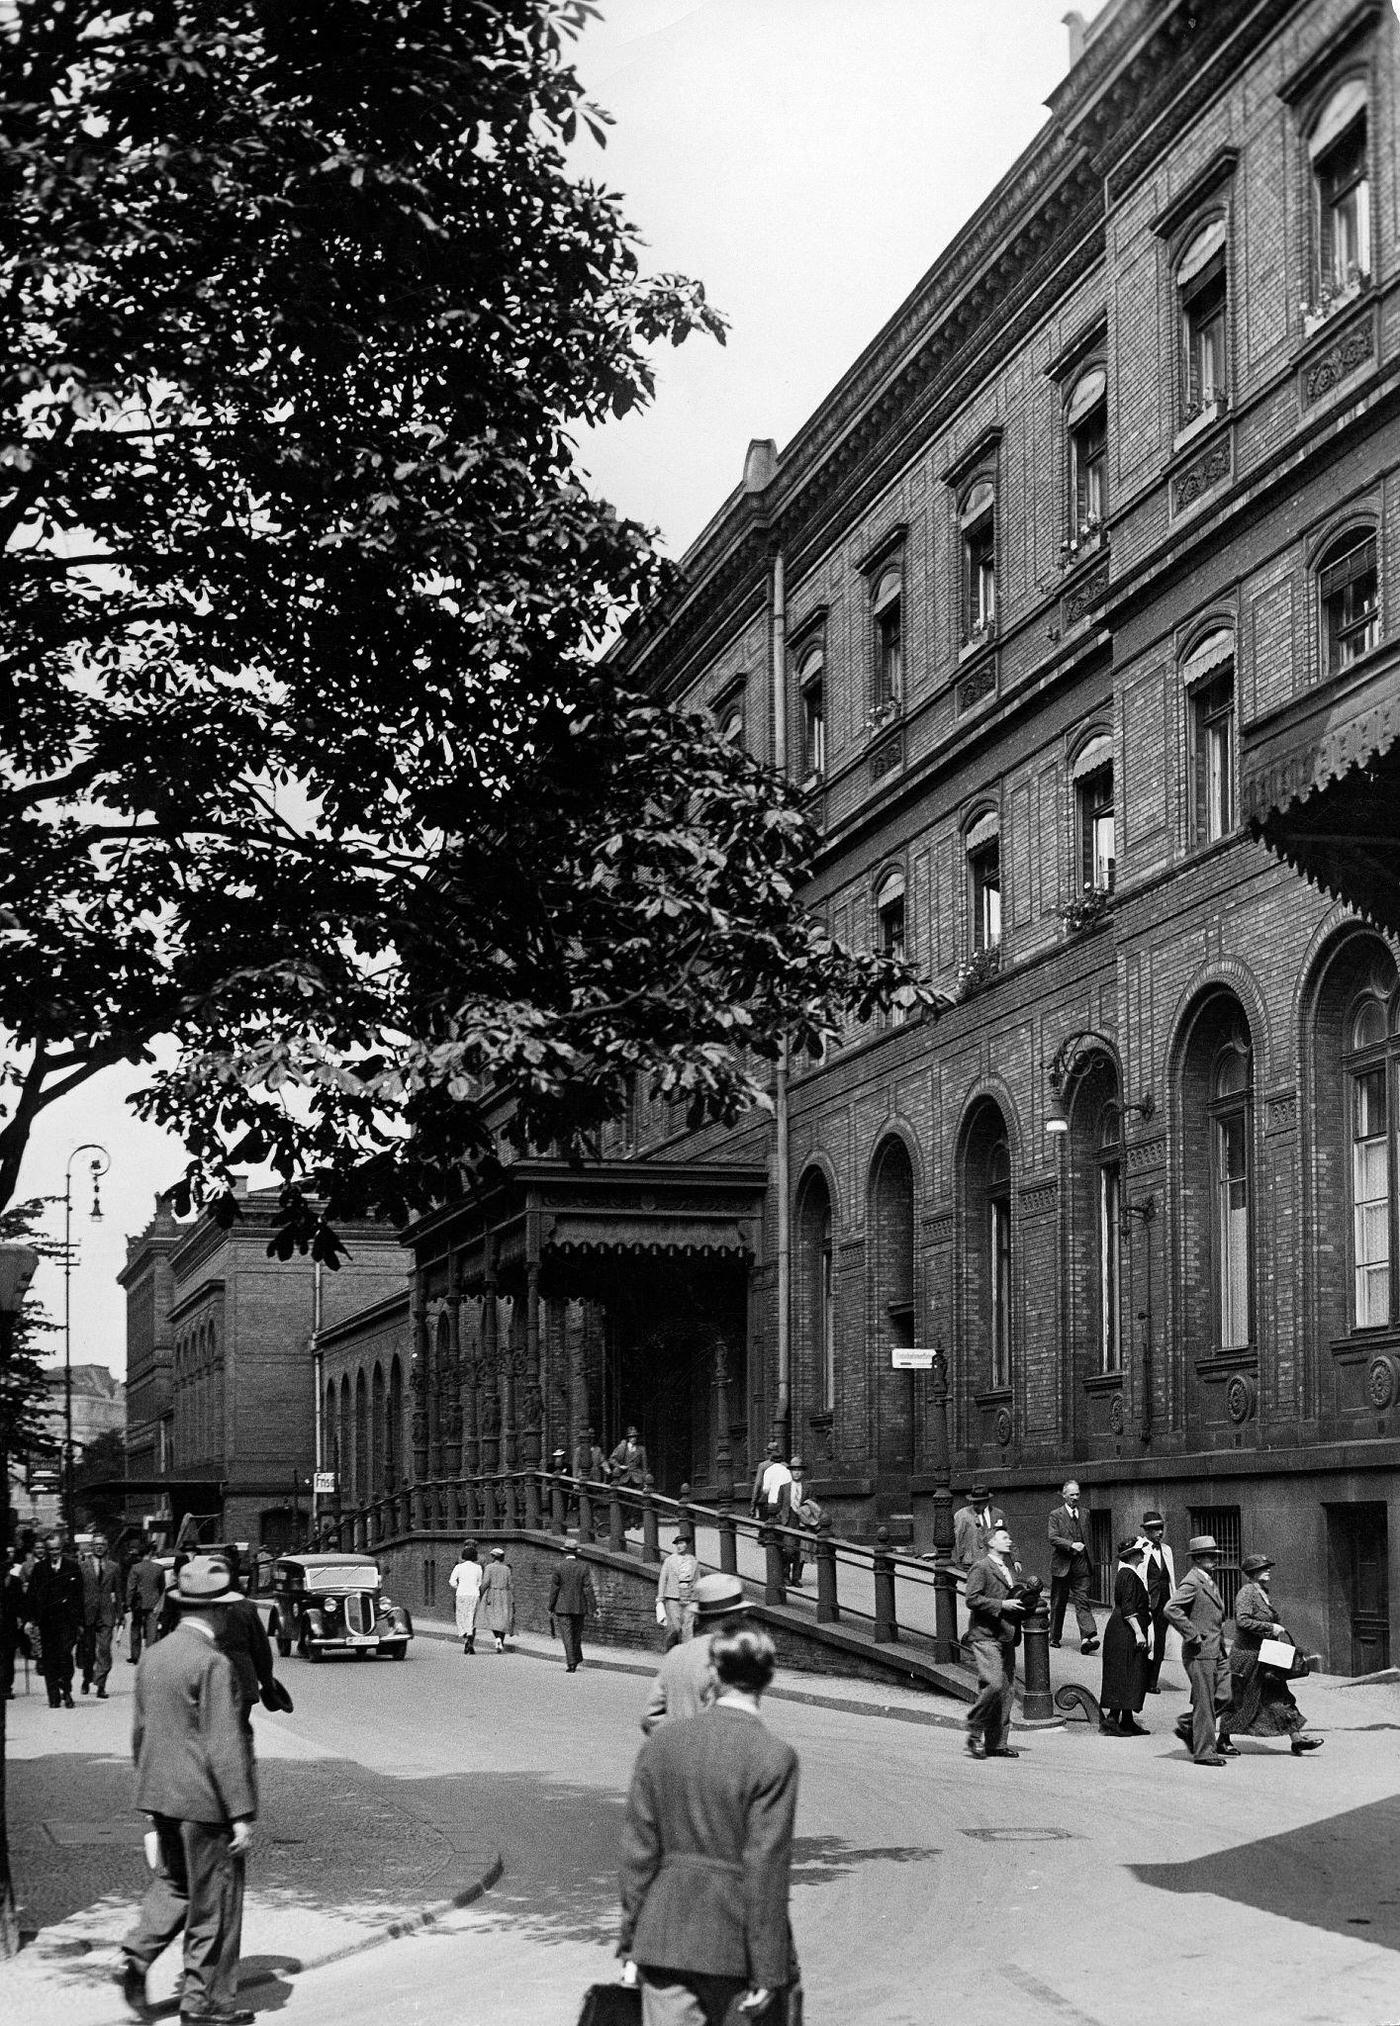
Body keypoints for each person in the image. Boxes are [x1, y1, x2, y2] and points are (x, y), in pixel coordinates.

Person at [620, 1625, 799, 2026]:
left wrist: (631, 1945)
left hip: (663, 1938)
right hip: (734, 1949)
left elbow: (638, 1855)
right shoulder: (773, 1757)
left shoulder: (662, 1745)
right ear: (767, 1679)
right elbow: (766, 1870)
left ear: (714, 1675)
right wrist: (769, 1970)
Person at [118, 1554, 257, 2026]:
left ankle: (136, 1957)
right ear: (219, 1611)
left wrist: (148, 1796)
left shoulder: (154, 1656)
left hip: (161, 1793)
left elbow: (141, 1733)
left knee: (175, 1885)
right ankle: (205, 2006)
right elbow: (224, 1743)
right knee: (214, 1903)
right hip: (206, 1803)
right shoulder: (212, 1663)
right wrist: (240, 1813)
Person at [1217, 1554, 1323, 1757]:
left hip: (1266, 1655)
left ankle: (1297, 1740)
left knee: (1279, 1694)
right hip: (1247, 1656)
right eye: (1264, 1568)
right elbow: (1242, 1621)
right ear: (1253, 1573)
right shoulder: (1246, 1593)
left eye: (1267, 1567)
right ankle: (1223, 1739)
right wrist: (1270, 1627)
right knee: (1239, 1698)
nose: (1268, 1570)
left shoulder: (1262, 1592)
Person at [641, 1573, 749, 1733]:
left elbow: (651, 1716)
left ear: (700, 1617)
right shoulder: (731, 1657)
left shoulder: (676, 1654)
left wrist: (676, 1743)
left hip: (677, 1752)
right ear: (735, 1616)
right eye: (742, 1614)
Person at [1164, 1533, 1233, 1766]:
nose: (1214, 1559)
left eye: (1215, 1555)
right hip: (1200, 1651)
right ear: (1198, 1558)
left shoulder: (1208, 1580)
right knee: (1205, 1702)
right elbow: (1171, 1608)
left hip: (1217, 1650)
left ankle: (1188, 1725)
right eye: (1209, 1556)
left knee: (1226, 1694)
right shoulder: (1192, 1581)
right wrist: (1192, 1634)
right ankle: (1205, 1751)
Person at [963, 1525, 1026, 1760]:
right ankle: (974, 1727)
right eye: (1004, 1538)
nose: (1009, 1541)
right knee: (993, 1684)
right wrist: (1002, 1606)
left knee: (1007, 1691)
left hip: (1006, 1634)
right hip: (985, 1634)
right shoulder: (981, 1567)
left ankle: (997, 1744)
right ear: (991, 1542)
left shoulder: (1008, 1569)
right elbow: (972, 1598)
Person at [212, 1548, 277, 1734]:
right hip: (242, 1680)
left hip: (209, 1681)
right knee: (239, 1731)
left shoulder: (199, 1608)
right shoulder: (246, 1607)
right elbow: (261, 1650)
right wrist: (267, 1681)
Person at [27, 1530, 86, 1710]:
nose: (54, 1553)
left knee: (65, 1655)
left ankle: (66, 1690)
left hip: (67, 1621)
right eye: (51, 1550)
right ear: (47, 1550)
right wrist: (30, 1619)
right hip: (47, 1622)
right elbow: (32, 1596)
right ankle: (53, 1696)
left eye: (57, 1549)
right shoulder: (39, 1569)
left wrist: (81, 1622)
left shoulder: (72, 1566)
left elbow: (79, 1596)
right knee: (50, 1658)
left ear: (62, 1548)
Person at [1100, 1538, 1150, 1736]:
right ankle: (1112, 1720)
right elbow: (1128, 1606)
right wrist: (1138, 1631)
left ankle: (1127, 1719)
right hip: (1125, 1631)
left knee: (1131, 1673)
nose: (1143, 1554)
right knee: (1124, 1672)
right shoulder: (1128, 1575)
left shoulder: (1128, 1573)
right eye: (1139, 1552)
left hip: (1124, 1629)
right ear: (1132, 1555)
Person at [1047, 1480, 1099, 1654]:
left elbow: (1089, 1538)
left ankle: (1087, 1637)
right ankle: (1054, 1636)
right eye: (1072, 1495)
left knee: (1082, 1600)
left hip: (1081, 1565)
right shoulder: (1056, 1515)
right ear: (1064, 1495)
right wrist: (1071, 1545)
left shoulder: (1086, 1513)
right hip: (1062, 1565)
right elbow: (1052, 1537)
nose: (1076, 1498)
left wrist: (1090, 1560)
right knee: (1058, 1602)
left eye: (1078, 1494)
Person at [81, 1532, 125, 1699]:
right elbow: (78, 1592)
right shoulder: (83, 1566)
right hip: (88, 1613)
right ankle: (86, 1678)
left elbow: (118, 1593)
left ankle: (100, 1685)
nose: (99, 1547)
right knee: (88, 1651)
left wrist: (121, 1614)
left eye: (102, 1544)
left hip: (107, 1613)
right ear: (91, 1547)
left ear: (107, 1547)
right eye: (96, 1544)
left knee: (105, 1650)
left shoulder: (114, 1567)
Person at [1138, 1508, 1176, 1694]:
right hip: (1146, 1603)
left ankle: (1152, 1682)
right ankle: (1140, 1680)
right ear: (1146, 1531)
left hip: (1164, 1603)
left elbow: (1171, 1579)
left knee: (1159, 1643)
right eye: (1155, 1529)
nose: (1160, 1532)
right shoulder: (1139, 1549)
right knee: (1145, 1642)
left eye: (1161, 1528)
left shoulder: (1167, 1550)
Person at [548, 1539, 597, 1672]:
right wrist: (594, 1607)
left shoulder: (558, 1567)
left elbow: (554, 1589)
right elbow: (588, 1588)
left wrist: (550, 1607)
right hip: (579, 1607)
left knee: (567, 1635)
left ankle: (571, 1662)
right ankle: (576, 1658)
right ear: (576, 1552)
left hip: (562, 1607)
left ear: (565, 1552)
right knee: (576, 1634)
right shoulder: (584, 1567)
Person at [776, 1456, 820, 1585]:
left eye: (799, 1470)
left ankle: (796, 1578)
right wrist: (781, 1517)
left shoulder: (808, 1488)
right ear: (790, 1471)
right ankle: (785, 1575)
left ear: (803, 1472)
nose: (797, 1472)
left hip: (803, 1522)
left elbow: (813, 1503)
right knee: (789, 1550)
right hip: (788, 1521)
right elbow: (779, 1505)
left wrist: (806, 1508)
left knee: (800, 1552)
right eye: (794, 1469)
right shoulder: (784, 1488)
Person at [655, 1526, 700, 1648]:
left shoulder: (693, 1561)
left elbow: (697, 1580)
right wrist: (660, 1596)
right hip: (673, 1598)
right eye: (678, 1544)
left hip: (689, 1598)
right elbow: (663, 1579)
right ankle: (671, 1651)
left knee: (688, 1627)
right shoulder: (669, 1561)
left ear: (687, 1545)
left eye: (682, 1543)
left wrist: (696, 1599)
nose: (680, 1546)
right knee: (675, 1627)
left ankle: (686, 1653)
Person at [127, 1539, 168, 1663]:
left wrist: (128, 1603)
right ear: (150, 1553)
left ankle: (135, 1656)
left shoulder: (135, 1568)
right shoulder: (158, 1568)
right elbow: (162, 1587)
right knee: (151, 1629)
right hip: (153, 1602)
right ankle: (149, 1655)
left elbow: (131, 1588)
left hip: (138, 1603)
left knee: (135, 1628)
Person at [3, 1548, 36, 1699]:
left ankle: (6, 1687)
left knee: (8, 1657)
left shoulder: (15, 1582)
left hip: (9, 1625)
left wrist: (25, 1619)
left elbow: (21, 1604)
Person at [448, 1541, 483, 1655]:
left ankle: (465, 1639)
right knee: (472, 1618)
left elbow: (452, 1581)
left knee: (462, 1617)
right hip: (474, 1594)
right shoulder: (478, 1568)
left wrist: (458, 1586)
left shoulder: (458, 1567)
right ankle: (471, 1641)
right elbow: (479, 1582)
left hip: (462, 1594)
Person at [478, 1545, 514, 1652]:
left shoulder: (489, 1567)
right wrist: (512, 1598)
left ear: (493, 1557)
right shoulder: (506, 1569)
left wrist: (481, 1593)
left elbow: (485, 1583)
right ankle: (501, 1641)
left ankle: (497, 1638)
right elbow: (510, 1584)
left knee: (491, 1617)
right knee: (503, 1618)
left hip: (492, 1594)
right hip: (504, 1595)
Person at [750, 1446, 791, 1525]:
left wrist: (753, 1505)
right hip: (782, 1501)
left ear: (768, 1454)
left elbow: (758, 1486)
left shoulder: (763, 1466)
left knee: (765, 1526)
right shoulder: (786, 1466)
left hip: (767, 1501)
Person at [608, 1423, 650, 1489]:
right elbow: (611, 1459)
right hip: (624, 1475)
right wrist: (620, 1466)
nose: (633, 1439)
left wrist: (646, 1482)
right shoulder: (623, 1447)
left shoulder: (641, 1449)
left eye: (635, 1436)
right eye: (631, 1437)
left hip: (637, 1476)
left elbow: (645, 1466)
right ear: (628, 1438)